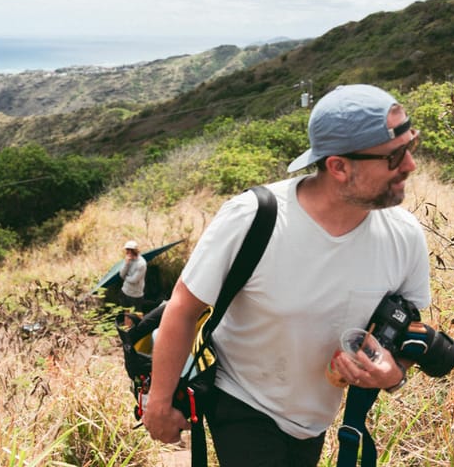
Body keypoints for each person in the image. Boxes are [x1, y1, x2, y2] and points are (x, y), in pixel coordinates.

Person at [142, 84, 431, 466]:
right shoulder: (254, 217)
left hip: (314, 418)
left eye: (412, 146)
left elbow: (406, 330)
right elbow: (183, 306)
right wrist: (159, 404)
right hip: (242, 399)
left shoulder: (404, 236)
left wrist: (394, 373)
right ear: (339, 167)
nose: (410, 164)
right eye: (394, 157)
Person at [119, 240, 147, 310]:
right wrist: (126, 264)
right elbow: (121, 274)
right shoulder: (127, 260)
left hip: (136, 295)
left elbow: (134, 280)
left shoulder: (141, 263)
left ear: (134, 251)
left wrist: (125, 277)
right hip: (125, 291)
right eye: (127, 250)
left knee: (135, 317)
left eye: (129, 250)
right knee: (125, 314)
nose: (127, 252)